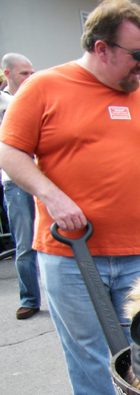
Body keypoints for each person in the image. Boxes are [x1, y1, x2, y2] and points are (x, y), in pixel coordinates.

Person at [0, 0, 140, 395]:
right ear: (102, 48)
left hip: (139, 251)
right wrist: (51, 196)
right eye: (138, 55)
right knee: (86, 346)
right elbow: (10, 150)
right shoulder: (44, 87)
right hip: (71, 251)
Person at [1, 53, 40, 320]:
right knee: (25, 244)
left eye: (31, 72)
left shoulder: (37, 99)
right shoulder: (5, 104)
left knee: (60, 242)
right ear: (7, 74)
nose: (30, 78)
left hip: (45, 179)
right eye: (23, 73)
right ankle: (29, 298)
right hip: (14, 182)